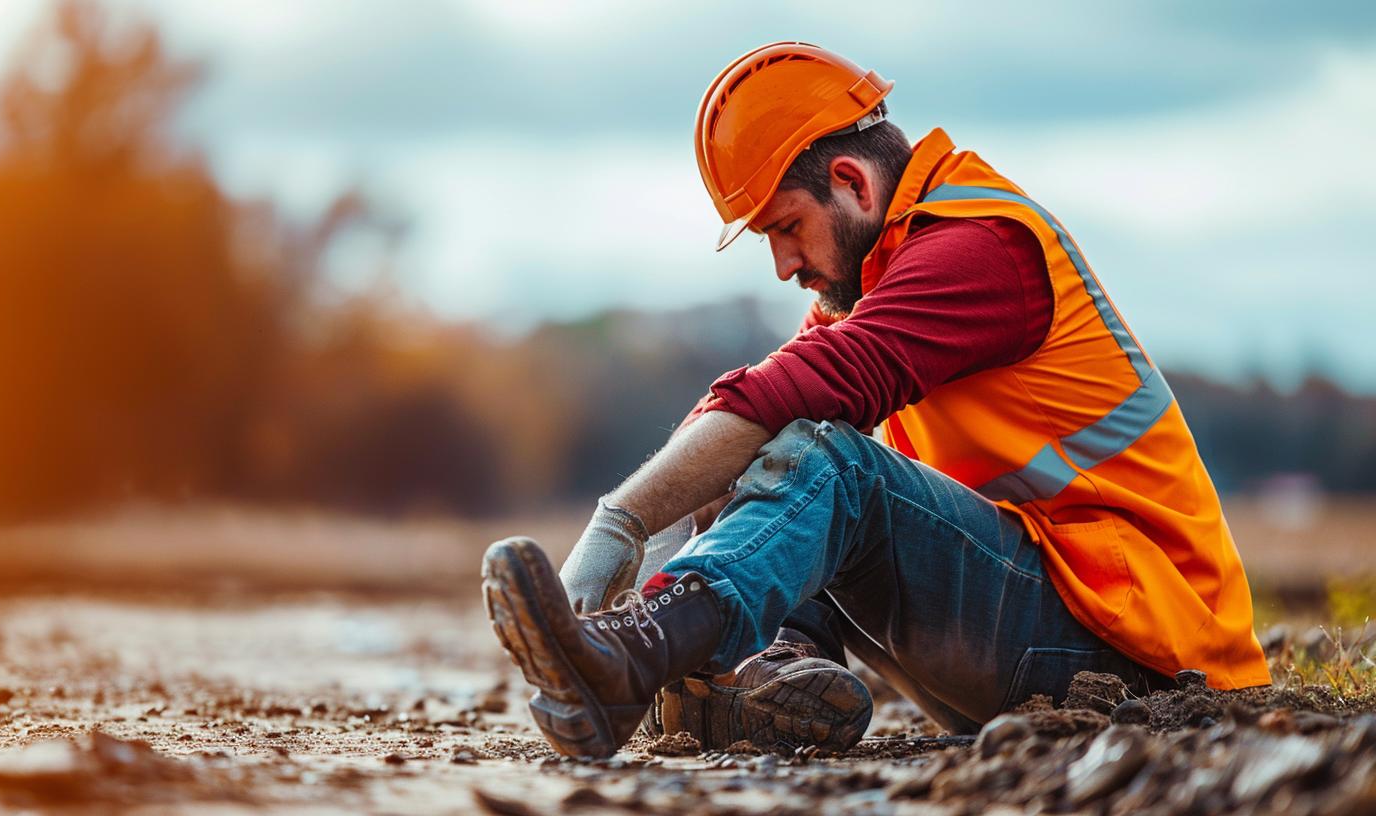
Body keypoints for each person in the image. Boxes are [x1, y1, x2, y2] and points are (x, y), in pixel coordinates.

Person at [481, 42, 1270, 760]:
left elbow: (800, 399)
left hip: (1150, 658)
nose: (785, 265)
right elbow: (752, 417)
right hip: (1052, 626)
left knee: (830, 460)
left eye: (786, 227)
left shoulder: (981, 246)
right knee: (781, 449)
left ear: (852, 183)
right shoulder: (871, 280)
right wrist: (651, 551)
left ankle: (634, 663)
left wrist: (620, 519)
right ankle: (750, 672)